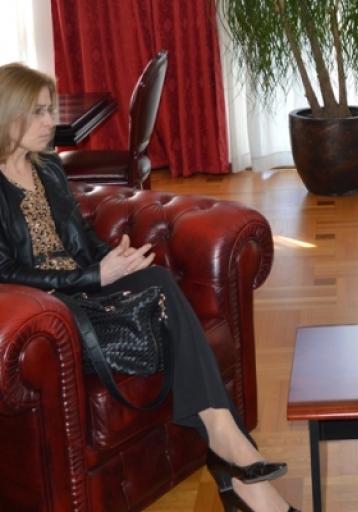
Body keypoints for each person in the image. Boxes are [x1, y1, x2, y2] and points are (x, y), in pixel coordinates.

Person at [0, 63, 298, 512]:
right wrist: (94, 277)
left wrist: (115, 257)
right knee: (167, 307)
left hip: (86, 286)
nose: (50, 122)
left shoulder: (49, 169)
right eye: (39, 112)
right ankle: (238, 465)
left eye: (50, 110)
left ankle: (228, 445)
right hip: (48, 310)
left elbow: (82, 237)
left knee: (157, 279)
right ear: (9, 114)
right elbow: (7, 273)